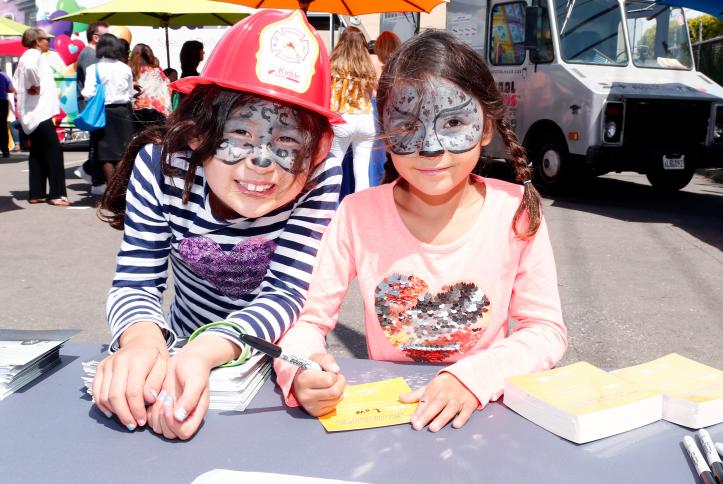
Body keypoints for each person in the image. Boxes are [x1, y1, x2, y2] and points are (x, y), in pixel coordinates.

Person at [274, 31, 567, 432]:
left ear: (485, 129)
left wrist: (474, 377)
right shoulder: (357, 214)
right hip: (386, 417)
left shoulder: (516, 212)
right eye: (407, 125)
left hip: (484, 410)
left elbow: (545, 330)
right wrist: (302, 368)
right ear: (384, 127)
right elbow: (305, 321)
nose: (430, 147)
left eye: (454, 122)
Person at [92, 9, 342, 441]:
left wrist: (205, 352)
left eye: (287, 142)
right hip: (177, 352)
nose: (261, 164)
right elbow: (136, 281)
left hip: (276, 368)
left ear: (317, 149)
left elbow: (287, 292)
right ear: (197, 132)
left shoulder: (320, 175)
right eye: (240, 136)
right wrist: (141, 342)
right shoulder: (159, 166)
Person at [13, 28, 70, 206]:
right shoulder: (32, 55)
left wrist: (31, 85)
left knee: (37, 153)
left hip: (33, 112)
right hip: (40, 112)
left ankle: (36, 193)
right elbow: (29, 72)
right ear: (37, 41)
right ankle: (56, 194)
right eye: (46, 39)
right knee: (54, 152)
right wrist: (34, 84)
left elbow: (15, 81)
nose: (48, 42)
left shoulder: (26, 56)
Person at [82, 34, 135, 190]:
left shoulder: (94, 68)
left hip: (102, 113)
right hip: (123, 111)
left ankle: (111, 192)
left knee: (105, 154)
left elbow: (87, 92)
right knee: (122, 153)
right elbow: (130, 93)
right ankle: (121, 191)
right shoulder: (125, 68)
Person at [328, 27, 377, 193]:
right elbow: (370, 95)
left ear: (342, 42)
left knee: (332, 168)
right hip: (365, 119)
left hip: (342, 118)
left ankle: (327, 208)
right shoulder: (368, 67)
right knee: (362, 172)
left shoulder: (333, 65)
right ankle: (362, 212)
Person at [75, 21, 109, 194]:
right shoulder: (89, 55)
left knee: (97, 142)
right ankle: (95, 178)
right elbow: (94, 84)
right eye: (106, 35)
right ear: (96, 38)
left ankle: (89, 172)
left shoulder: (90, 54)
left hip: (92, 105)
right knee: (97, 143)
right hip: (92, 106)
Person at [368, 31, 401, 187]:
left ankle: (377, 185)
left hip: (377, 110)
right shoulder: (401, 64)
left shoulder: (373, 61)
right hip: (397, 111)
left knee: (376, 153)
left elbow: (371, 86)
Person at [129, 43, 171, 132]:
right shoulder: (157, 71)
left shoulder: (130, 72)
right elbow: (167, 87)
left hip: (137, 115)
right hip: (157, 114)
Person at [0, 69, 16, 157]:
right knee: (2, 126)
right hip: (2, 102)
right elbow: (11, 89)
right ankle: (5, 150)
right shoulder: (4, 76)